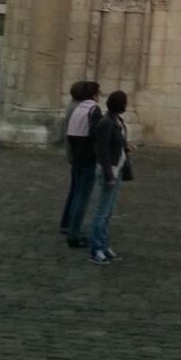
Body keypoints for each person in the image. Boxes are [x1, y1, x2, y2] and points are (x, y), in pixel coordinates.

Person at [88, 90, 131, 265]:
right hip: (109, 170)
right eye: (125, 102)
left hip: (117, 169)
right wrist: (109, 176)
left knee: (108, 211)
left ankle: (104, 246)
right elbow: (102, 151)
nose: (127, 105)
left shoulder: (116, 120)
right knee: (102, 212)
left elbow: (116, 142)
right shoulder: (106, 122)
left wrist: (126, 147)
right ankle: (95, 249)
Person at [64, 81, 102, 248]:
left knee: (77, 194)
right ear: (93, 94)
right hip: (87, 158)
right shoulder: (93, 109)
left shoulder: (77, 108)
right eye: (98, 92)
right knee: (82, 197)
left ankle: (70, 228)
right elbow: (96, 134)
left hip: (77, 156)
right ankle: (74, 234)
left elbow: (70, 135)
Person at [58, 80, 86, 235]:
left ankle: (66, 222)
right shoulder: (78, 109)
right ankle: (70, 224)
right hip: (79, 155)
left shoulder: (72, 106)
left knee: (75, 190)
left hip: (74, 154)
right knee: (78, 192)